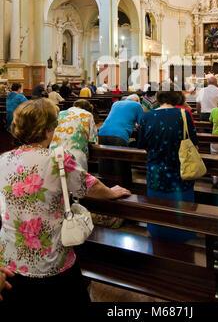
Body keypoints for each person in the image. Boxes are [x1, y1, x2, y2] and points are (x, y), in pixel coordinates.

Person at [0, 98, 130, 304]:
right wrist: (111, 192)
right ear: (46, 131)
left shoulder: (3, 159)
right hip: (51, 260)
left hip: (10, 261)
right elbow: (89, 186)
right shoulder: (57, 159)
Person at [137, 89, 198, 243]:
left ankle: (157, 232)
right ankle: (183, 234)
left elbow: (142, 145)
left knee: (157, 206)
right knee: (182, 204)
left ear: (159, 98)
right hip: (180, 168)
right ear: (178, 98)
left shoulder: (147, 116)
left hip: (156, 169)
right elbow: (194, 144)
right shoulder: (183, 115)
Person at [98, 94, 144, 186]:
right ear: (137, 100)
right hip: (119, 135)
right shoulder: (137, 105)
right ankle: (125, 186)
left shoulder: (116, 103)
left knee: (106, 162)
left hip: (102, 133)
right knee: (122, 163)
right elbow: (141, 124)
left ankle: (107, 185)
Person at [50, 99, 97, 170]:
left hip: (54, 152)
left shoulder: (60, 113)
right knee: (77, 180)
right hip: (75, 155)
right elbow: (92, 139)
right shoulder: (88, 115)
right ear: (87, 108)